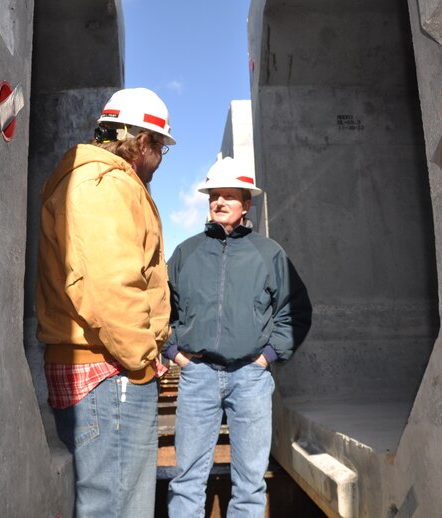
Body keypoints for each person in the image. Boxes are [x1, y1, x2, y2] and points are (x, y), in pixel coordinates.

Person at [36, 87, 175, 517]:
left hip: (97, 369)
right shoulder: (106, 183)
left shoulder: (88, 180)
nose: (160, 161)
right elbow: (108, 285)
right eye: (161, 149)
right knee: (118, 507)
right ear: (143, 142)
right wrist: (142, 359)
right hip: (110, 373)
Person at [165, 156, 312, 517]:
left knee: (249, 484)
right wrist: (174, 352)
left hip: (250, 378)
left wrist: (268, 357)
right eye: (215, 195)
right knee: (186, 480)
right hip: (198, 375)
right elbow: (159, 308)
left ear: (246, 203)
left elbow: (296, 308)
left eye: (229, 195)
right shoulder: (186, 253)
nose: (220, 202)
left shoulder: (268, 253)